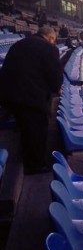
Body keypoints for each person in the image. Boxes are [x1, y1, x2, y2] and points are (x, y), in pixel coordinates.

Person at [0, 26, 63, 174]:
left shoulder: (20, 43)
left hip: (8, 95)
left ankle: (28, 158)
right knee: (38, 127)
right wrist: (56, 87)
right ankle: (36, 164)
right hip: (29, 96)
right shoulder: (49, 48)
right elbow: (55, 76)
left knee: (27, 124)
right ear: (51, 38)